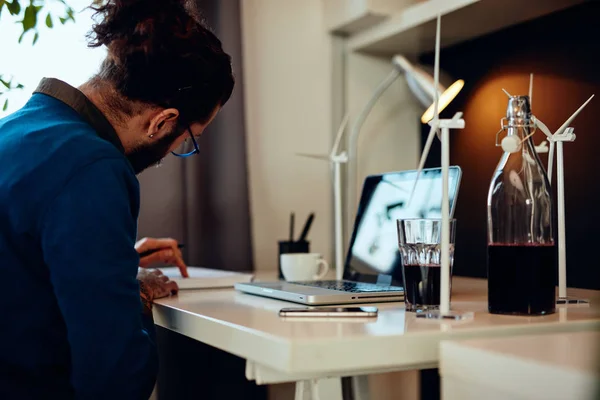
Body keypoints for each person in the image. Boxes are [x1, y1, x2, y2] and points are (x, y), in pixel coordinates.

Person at [0, 0, 234, 397]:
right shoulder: (90, 168)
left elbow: (21, 262)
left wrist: (111, 262)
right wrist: (129, 294)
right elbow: (116, 374)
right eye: (187, 138)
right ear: (163, 121)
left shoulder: (18, 128)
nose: (177, 148)